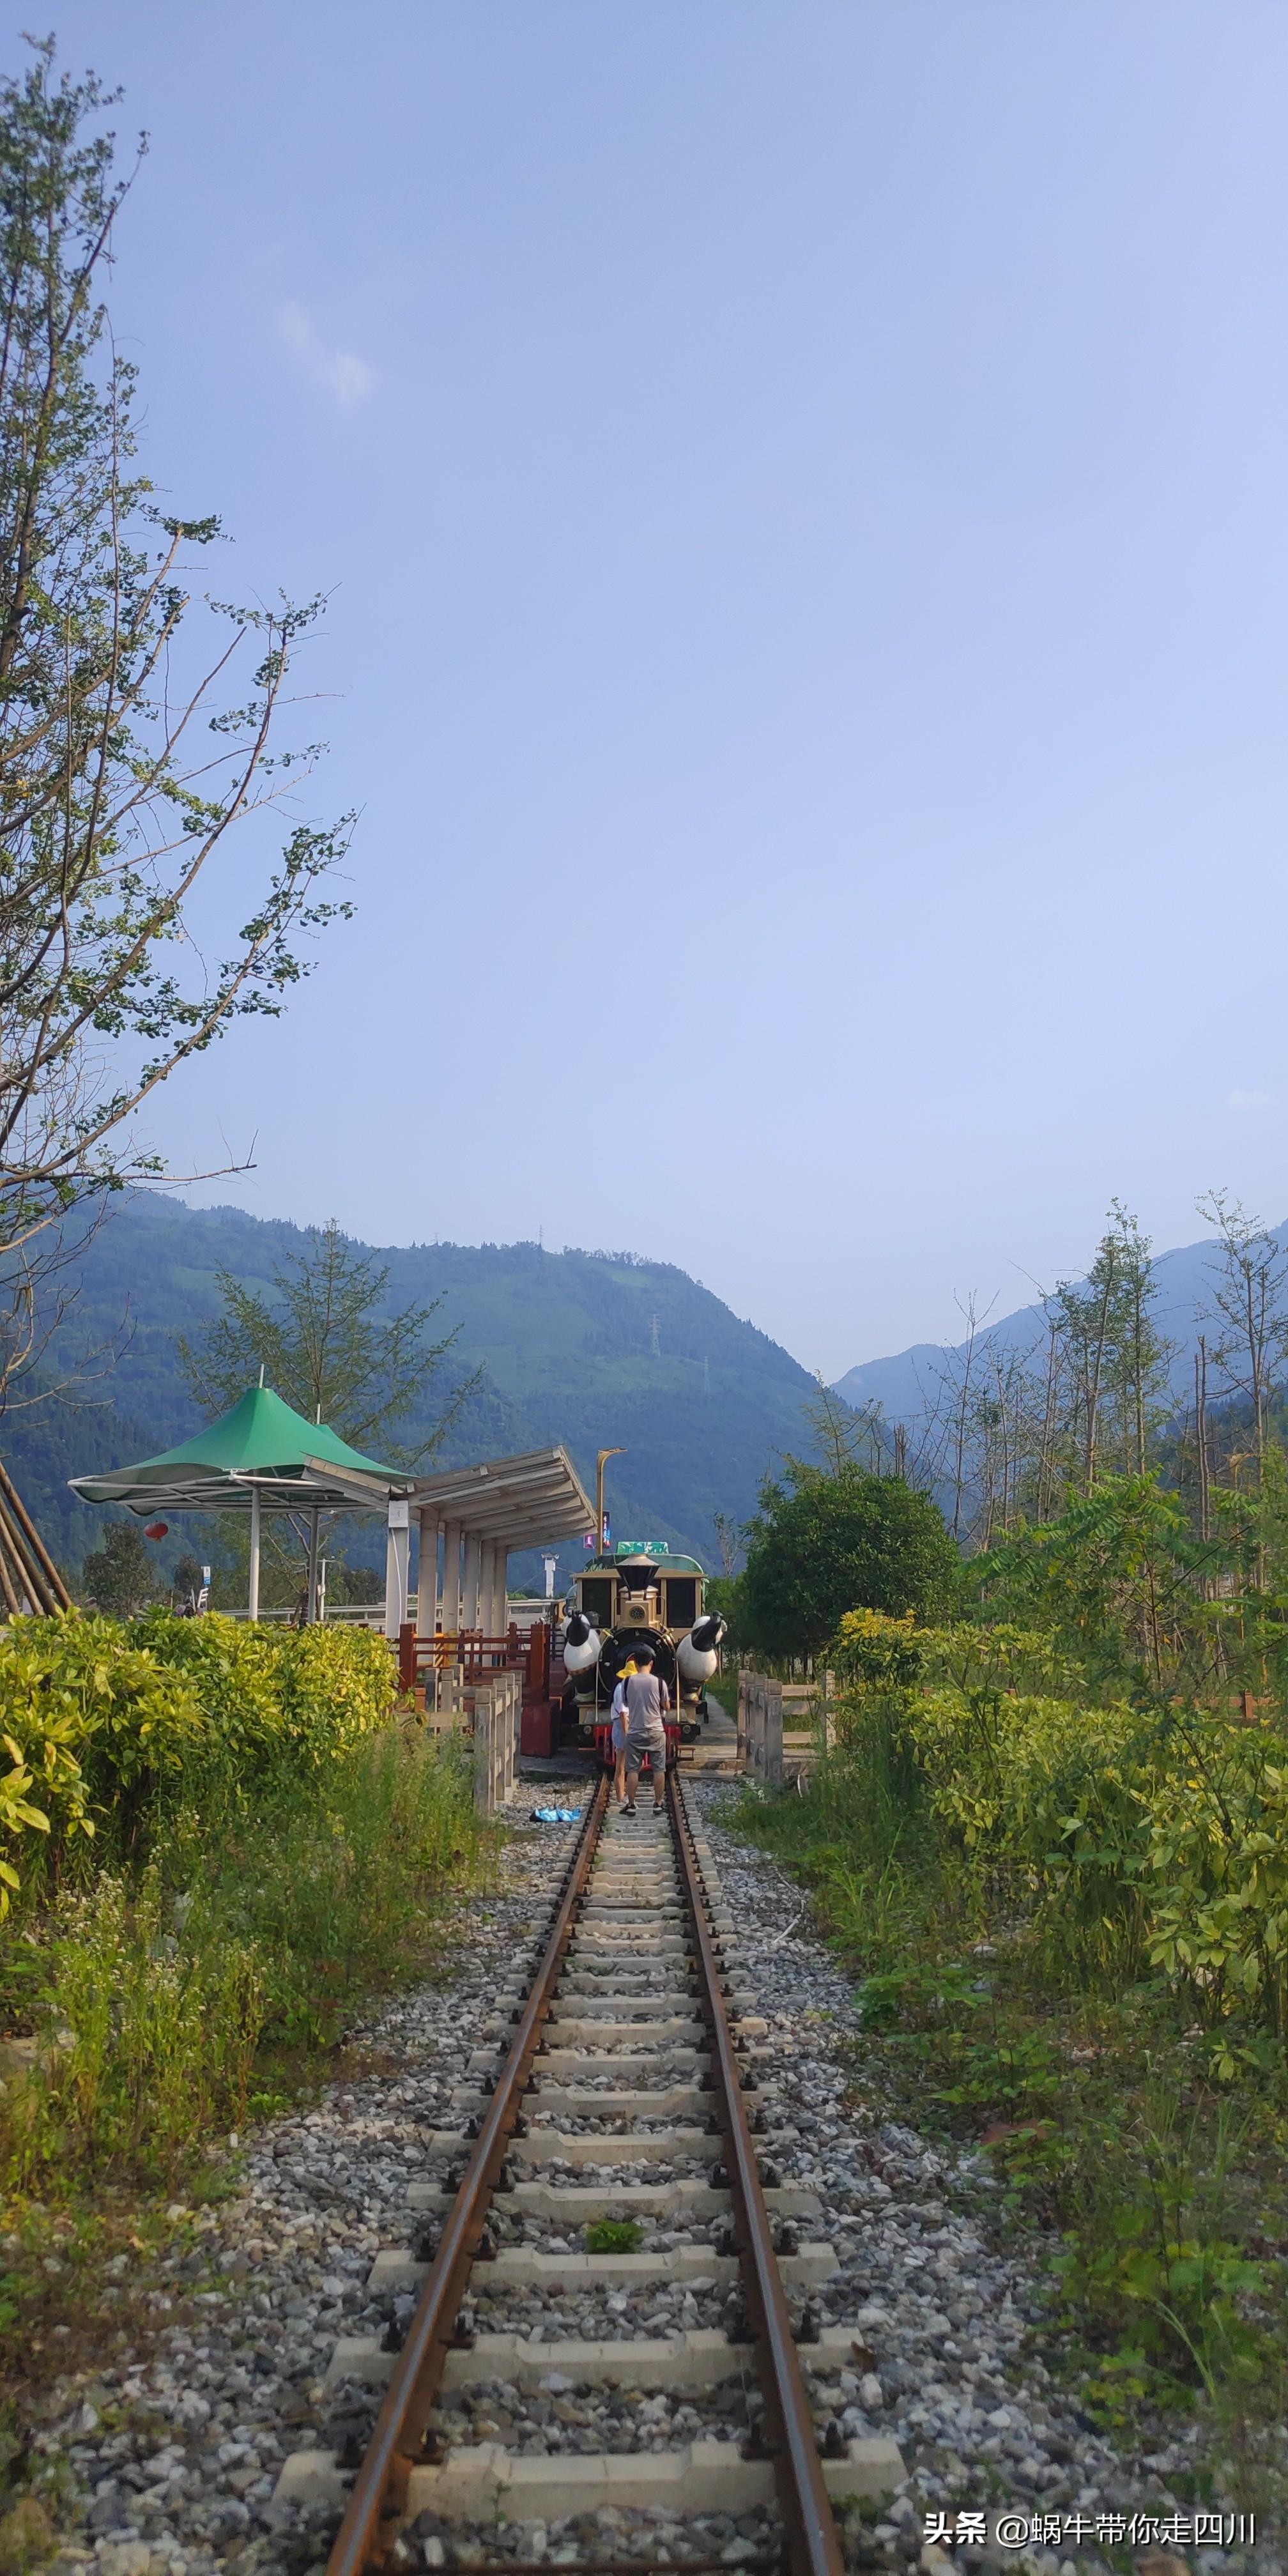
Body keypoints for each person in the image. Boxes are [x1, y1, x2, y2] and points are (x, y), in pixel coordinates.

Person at [622, 1644, 670, 1817]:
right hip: (656, 1730)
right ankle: (658, 1803)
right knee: (659, 1769)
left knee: (633, 1770)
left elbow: (626, 1703)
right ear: (651, 1663)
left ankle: (632, 1804)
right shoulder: (659, 1682)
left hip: (635, 1730)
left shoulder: (627, 1682)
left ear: (635, 1664)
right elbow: (666, 1705)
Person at [609, 1657, 638, 1806]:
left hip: (627, 1725)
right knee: (621, 1765)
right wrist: (628, 1736)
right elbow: (622, 1714)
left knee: (626, 1764)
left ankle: (624, 1795)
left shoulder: (627, 1689)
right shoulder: (621, 1689)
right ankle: (620, 1797)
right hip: (622, 1727)